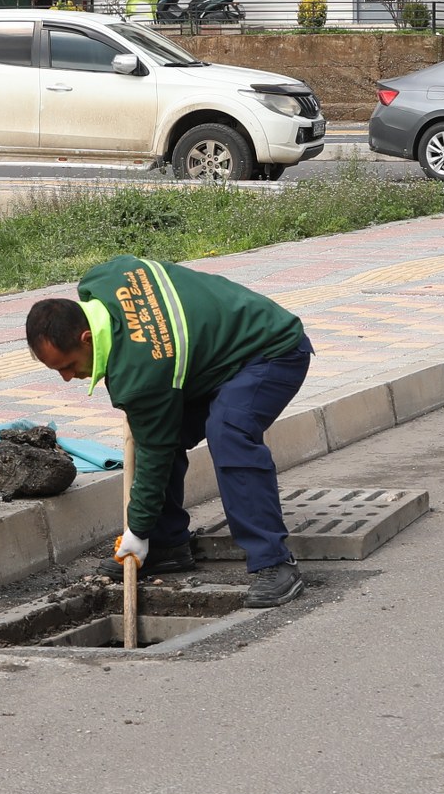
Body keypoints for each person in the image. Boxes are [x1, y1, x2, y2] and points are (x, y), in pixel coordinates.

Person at [24, 256, 313, 608]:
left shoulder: (141, 372)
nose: (67, 378)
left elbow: (154, 452)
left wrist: (136, 529)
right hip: (212, 360)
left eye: (68, 366)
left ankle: (275, 563)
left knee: (228, 433)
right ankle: (167, 544)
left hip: (272, 350)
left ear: (86, 338)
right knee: (160, 431)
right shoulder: (104, 278)